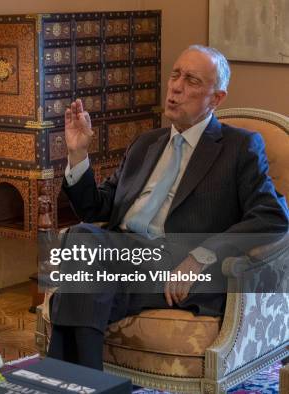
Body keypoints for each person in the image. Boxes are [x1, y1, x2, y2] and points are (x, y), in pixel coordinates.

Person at [47, 45, 288, 369]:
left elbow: (272, 215)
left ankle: (70, 382)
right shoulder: (146, 143)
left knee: (77, 285)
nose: (175, 86)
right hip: (120, 254)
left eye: (191, 80)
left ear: (216, 98)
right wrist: (78, 154)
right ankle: (89, 384)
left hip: (173, 263)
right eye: (175, 75)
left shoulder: (239, 146)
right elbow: (96, 209)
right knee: (83, 243)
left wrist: (200, 256)